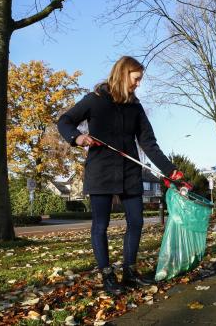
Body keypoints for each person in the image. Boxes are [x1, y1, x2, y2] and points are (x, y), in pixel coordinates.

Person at [57, 56, 185, 295]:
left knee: (136, 221)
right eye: (136, 79)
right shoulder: (94, 101)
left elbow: (148, 142)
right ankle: (107, 275)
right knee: (100, 226)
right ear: (123, 74)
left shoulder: (135, 107)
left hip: (130, 172)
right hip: (100, 171)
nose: (138, 84)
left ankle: (130, 272)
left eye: (140, 80)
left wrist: (171, 170)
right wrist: (77, 137)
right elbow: (64, 120)